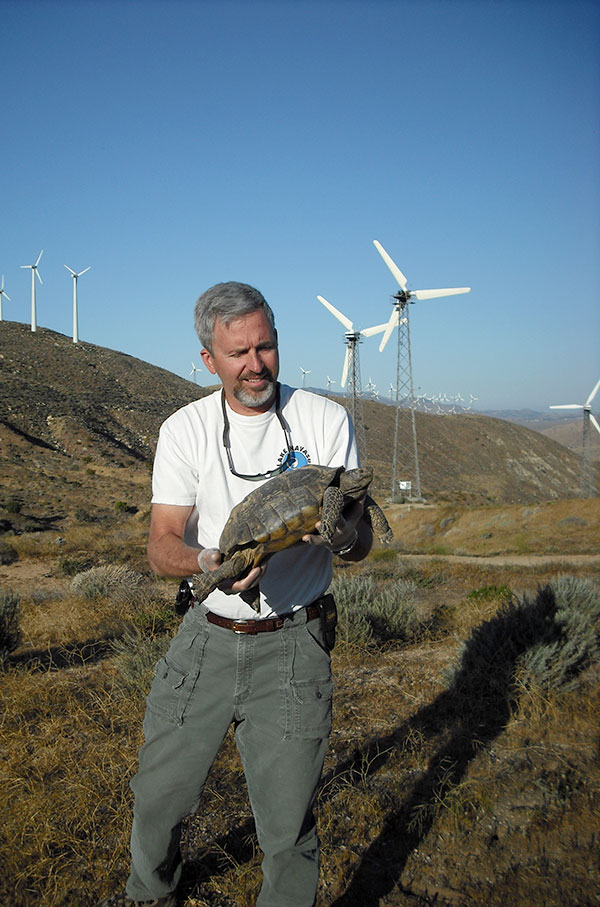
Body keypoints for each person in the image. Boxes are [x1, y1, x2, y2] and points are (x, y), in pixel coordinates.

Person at [99, 282, 373, 907]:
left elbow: (359, 546)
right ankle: (149, 893)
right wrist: (205, 561)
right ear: (208, 359)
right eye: (239, 353)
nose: (256, 365)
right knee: (159, 795)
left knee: (288, 823)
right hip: (208, 636)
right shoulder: (185, 429)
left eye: (267, 347)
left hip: (296, 642)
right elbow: (162, 542)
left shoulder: (326, 421)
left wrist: (344, 532)